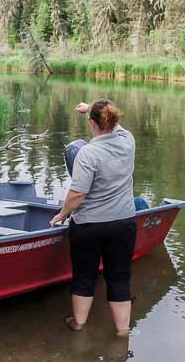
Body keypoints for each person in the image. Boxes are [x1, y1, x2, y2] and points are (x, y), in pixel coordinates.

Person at [50, 99, 136, 335]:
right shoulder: (128, 141)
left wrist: (62, 214)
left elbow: (77, 195)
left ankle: (79, 324)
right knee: (119, 277)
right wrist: (91, 108)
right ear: (114, 120)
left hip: (89, 227)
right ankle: (122, 331)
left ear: (92, 124)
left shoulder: (88, 153)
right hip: (123, 224)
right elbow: (113, 121)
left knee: (85, 276)